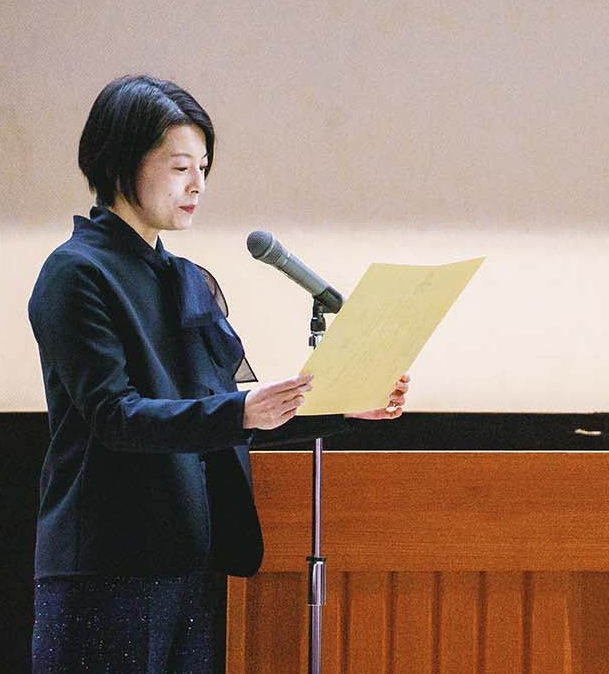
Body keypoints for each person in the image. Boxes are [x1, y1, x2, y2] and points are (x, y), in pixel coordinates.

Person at [28, 75, 407, 673]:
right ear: (122, 161)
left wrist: (342, 404)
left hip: (189, 557)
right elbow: (115, 417)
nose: (198, 185)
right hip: (107, 562)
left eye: (203, 167)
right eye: (180, 167)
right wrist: (241, 410)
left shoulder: (188, 279)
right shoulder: (76, 273)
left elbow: (224, 415)